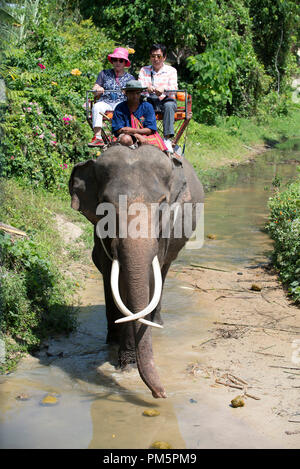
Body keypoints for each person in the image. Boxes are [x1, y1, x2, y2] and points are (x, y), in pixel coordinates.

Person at [88, 47, 135, 147]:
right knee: (97, 106)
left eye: (121, 60)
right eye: (115, 60)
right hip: (106, 101)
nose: (118, 62)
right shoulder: (104, 73)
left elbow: (134, 94)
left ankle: (123, 136)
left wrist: (128, 92)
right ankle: (97, 136)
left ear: (125, 63)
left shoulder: (130, 78)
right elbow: (95, 87)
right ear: (112, 61)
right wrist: (98, 89)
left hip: (121, 102)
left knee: (125, 108)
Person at [138, 44, 178, 153]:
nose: (155, 59)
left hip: (166, 99)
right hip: (149, 99)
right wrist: (147, 88)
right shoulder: (144, 70)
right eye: (153, 56)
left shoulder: (171, 71)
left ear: (164, 57)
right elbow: (140, 85)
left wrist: (163, 89)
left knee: (169, 105)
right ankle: (141, 136)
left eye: (159, 56)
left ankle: (167, 139)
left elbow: (174, 88)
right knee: (141, 106)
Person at [111, 80, 167, 151]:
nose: (135, 96)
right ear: (126, 93)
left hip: (146, 135)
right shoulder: (120, 108)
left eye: (137, 93)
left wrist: (133, 131)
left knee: (157, 147)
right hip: (126, 135)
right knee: (126, 139)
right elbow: (119, 130)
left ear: (140, 93)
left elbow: (150, 129)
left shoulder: (147, 106)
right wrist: (136, 135)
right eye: (131, 93)